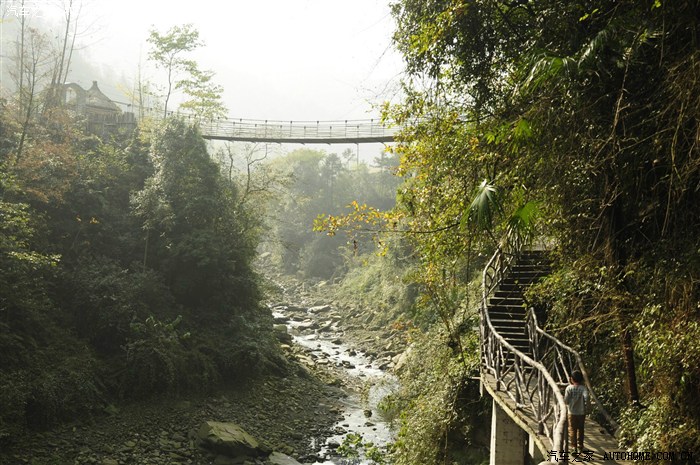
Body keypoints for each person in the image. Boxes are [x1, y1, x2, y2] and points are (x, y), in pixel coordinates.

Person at [564, 370, 590, 454]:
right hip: (581, 413)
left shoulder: (569, 388)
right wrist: (588, 408)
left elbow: (566, 401)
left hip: (571, 412)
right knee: (581, 429)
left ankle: (573, 447)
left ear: (571, 379)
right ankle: (580, 446)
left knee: (572, 429)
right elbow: (587, 398)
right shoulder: (583, 388)